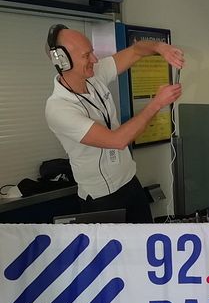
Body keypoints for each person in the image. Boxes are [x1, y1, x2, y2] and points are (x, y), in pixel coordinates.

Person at [45, 25, 183, 223]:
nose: (94, 59)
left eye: (92, 52)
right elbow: (117, 140)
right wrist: (157, 103)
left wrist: (160, 48)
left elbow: (135, 51)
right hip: (102, 198)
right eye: (86, 55)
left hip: (130, 183)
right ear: (63, 61)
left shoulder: (94, 75)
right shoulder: (59, 109)